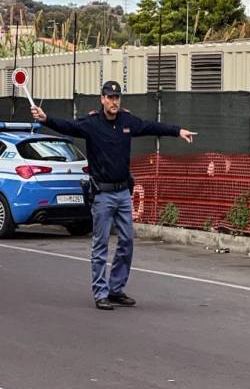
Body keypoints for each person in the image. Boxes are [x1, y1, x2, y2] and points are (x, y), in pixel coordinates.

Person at [30, 80, 197, 310]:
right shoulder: (91, 123)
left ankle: (116, 289)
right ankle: (100, 293)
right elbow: (68, 126)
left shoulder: (127, 121)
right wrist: (46, 119)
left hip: (122, 194)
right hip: (103, 195)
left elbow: (150, 126)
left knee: (127, 240)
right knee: (100, 245)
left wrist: (177, 131)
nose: (114, 101)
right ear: (102, 99)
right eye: (110, 97)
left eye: (117, 97)